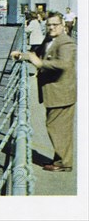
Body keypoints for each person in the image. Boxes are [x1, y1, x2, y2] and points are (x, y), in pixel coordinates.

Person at [11, 12, 76, 172]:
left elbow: (65, 64)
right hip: (55, 93)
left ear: (63, 26)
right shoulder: (49, 39)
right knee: (57, 127)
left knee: (57, 127)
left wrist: (40, 64)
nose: (52, 27)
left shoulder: (66, 43)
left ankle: (63, 163)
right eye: (49, 25)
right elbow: (36, 55)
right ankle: (61, 160)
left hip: (61, 93)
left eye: (55, 24)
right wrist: (21, 56)